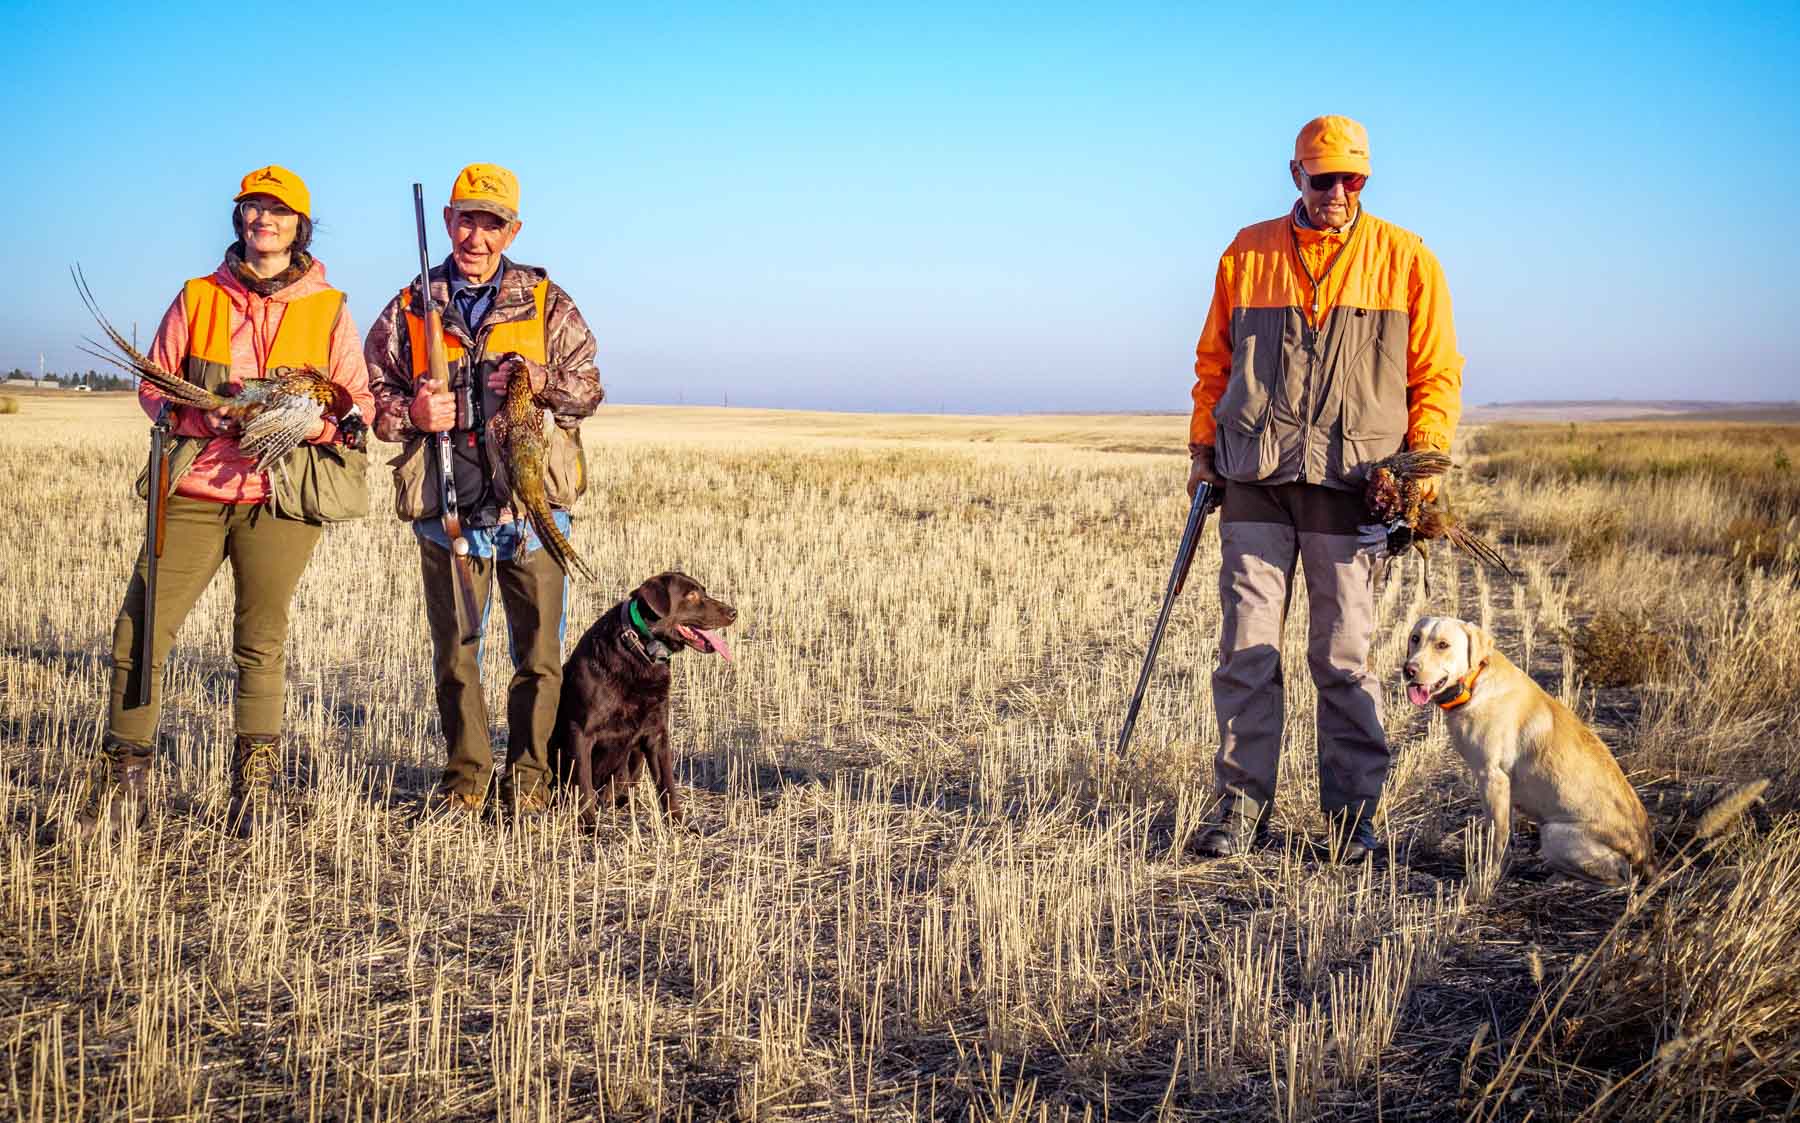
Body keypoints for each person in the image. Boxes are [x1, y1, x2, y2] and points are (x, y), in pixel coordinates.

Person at [1186, 116, 1463, 861]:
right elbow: (1214, 362)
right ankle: (1240, 810)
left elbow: (1436, 376)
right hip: (1255, 480)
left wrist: (1421, 468)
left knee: (1343, 659)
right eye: (1323, 177)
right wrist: (1202, 447)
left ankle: (1351, 821)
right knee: (1246, 653)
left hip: (1353, 487)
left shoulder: (1406, 258)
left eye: (1353, 178)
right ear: (1295, 175)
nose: (1338, 192)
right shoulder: (1247, 253)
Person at [79, 165, 375, 840]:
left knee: (260, 642)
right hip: (195, 488)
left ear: (300, 226)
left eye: (277, 210)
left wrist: (306, 424)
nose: (262, 219)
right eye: (252, 208)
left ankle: (255, 790)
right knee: (141, 629)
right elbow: (153, 384)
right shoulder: (198, 296)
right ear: (239, 218)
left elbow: (355, 402)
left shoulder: (329, 307)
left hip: (280, 494)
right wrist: (202, 416)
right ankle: (125, 780)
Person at [364, 163, 603, 817]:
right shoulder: (411, 305)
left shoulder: (547, 302)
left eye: (492, 223)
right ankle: (467, 780)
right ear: (447, 221)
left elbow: (588, 390)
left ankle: (528, 781)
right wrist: (412, 413)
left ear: (512, 231)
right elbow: (372, 395)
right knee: (456, 653)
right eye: (467, 219)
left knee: (540, 657)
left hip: (532, 509)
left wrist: (541, 379)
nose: (477, 235)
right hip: (448, 505)